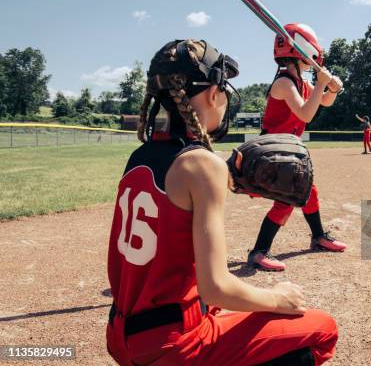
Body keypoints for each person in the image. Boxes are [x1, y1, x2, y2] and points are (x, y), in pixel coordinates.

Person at [106, 39, 338, 366]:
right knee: (322, 330)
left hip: (123, 337)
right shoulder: (203, 164)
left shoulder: (139, 157)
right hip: (174, 344)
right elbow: (216, 288)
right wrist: (276, 297)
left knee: (216, 308)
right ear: (213, 93)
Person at [248, 23, 347, 272]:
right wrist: (322, 83)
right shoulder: (284, 83)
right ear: (303, 52)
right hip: (272, 153)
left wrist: (331, 88)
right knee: (286, 200)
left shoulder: (300, 82)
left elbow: (323, 101)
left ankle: (318, 236)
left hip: (288, 151)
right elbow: (305, 114)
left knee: (308, 193)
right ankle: (259, 252)